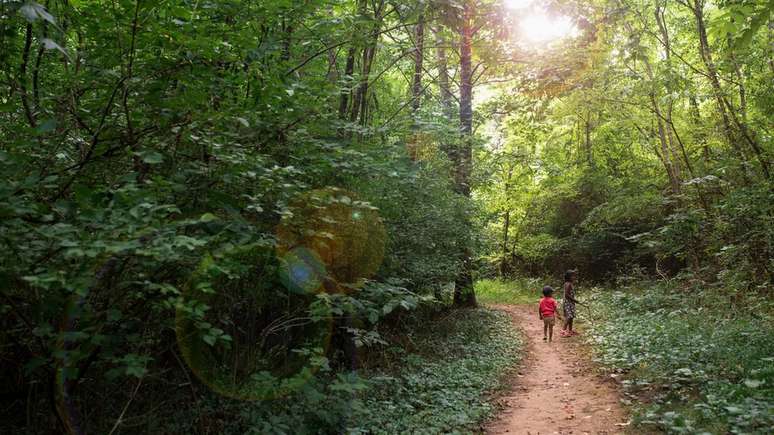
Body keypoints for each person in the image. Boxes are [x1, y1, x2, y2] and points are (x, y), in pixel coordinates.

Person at [561, 270, 579, 337]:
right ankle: (563, 331)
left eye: (574, 275)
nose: (574, 277)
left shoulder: (570, 283)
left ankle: (570, 331)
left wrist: (573, 301)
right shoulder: (568, 284)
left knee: (571, 317)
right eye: (572, 276)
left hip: (571, 303)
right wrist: (574, 300)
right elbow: (566, 295)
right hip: (568, 303)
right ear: (568, 277)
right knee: (568, 317)